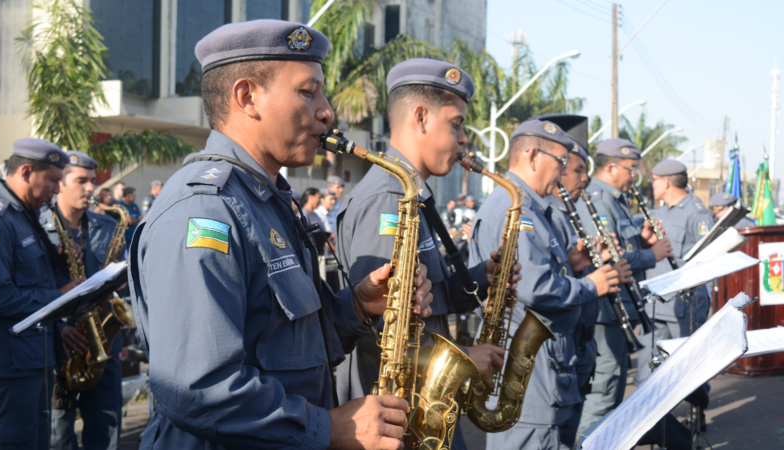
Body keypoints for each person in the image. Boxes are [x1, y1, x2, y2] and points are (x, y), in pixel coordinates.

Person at [127, 19, 435, 449]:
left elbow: (284, 342)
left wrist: (358, 305)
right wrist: (330, 428)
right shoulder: (205, 208)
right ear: (247, 96)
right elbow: (198, 388)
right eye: (308, 92)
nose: (327, 111)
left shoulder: (267, 200)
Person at [336, 59, 521, 450]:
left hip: (420, 410)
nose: (464, 139)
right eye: (456, 124)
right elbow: (386, 334)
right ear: (420, 117)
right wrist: (467, 357)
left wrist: (486, 277)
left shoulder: (411, 195)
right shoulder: (387, 200)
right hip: (399, 420)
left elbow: (424, 304)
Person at [470, 120, 619, 450]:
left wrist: (576, 265)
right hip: (528, 376)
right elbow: (535, 288)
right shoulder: (514, 208)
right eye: (562, 161)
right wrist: (590, 286)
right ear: (534, 155)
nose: (564, 171)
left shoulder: (534, 207)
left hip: (546, 369)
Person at [536, 115, 633, 441]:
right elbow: (538, 285)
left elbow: (566, 266)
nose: (583, 177)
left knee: (586, 403)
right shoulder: (545, 211)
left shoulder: (565, 209)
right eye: (575, 169)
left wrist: (585, 262)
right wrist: (592, 277)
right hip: (554, 344)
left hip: (579, 333)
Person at [0, 138, 82, 450]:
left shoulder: (25, 214)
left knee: (36, 441)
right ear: (27, 171)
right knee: (13, 441)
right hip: (10, 365)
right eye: (53, 180)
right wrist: (60, 295)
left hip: (34, 357)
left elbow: (32, 281)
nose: (57, 190)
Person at [575, 139, 674, 435]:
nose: (635, 176)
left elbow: (622, 246)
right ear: (612, 167)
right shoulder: (596, 198)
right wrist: (651, 255)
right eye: (631, 169)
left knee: (615, 389)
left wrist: (643, 243)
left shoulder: (615, 200)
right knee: (603, 392)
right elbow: (603, 256)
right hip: (607, 310)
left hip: (621, 308)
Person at [38, 151, 124, 450]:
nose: (91, 188)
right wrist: (59, 328)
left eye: (92, 181)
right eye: (81, 181)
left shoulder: (107, 226)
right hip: (58, 343)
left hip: (100, 341)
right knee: (58, 436)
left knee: (106, 430)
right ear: (60, 183)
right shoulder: (37, 227)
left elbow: (120, 282)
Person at [635, 159, 714, 385]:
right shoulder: (658, 212)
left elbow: (708, 257)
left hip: (683, 306)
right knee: (648, 374)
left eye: (655, 181)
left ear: (666, 182)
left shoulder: (696, 213)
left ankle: (694, 417)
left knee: (686, 374)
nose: (652, 185)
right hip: (655, 304)